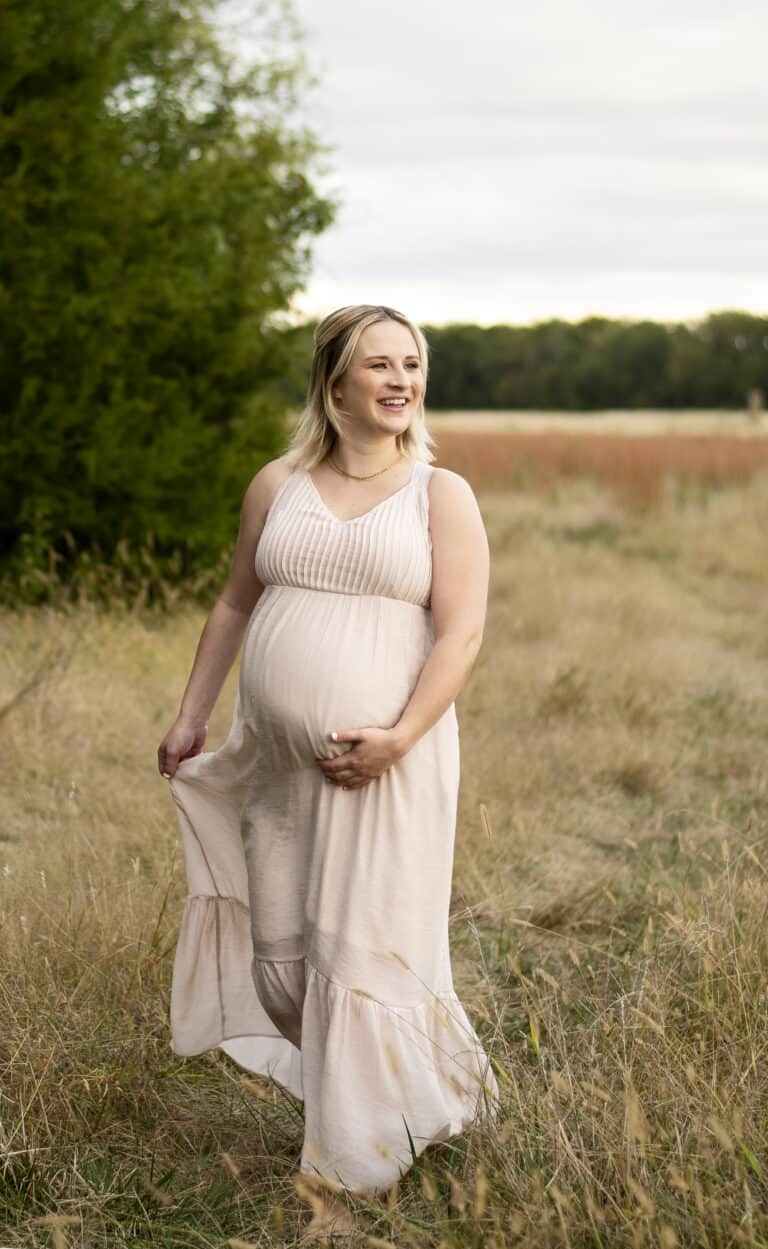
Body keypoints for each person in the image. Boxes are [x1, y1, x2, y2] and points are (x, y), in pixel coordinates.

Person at [157, 303, 499, 1199]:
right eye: (380, 364)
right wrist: (193, 713)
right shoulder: (278, 484)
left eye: (413, 365)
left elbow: (461, 635)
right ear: (335, 379)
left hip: (391, 762)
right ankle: (431, 1096)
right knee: (283, 971)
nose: (401, 382)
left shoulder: (440, 493)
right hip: (275, 762)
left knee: (364, 955)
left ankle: (353, 1169)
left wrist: (399, 737)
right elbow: (235, 603)